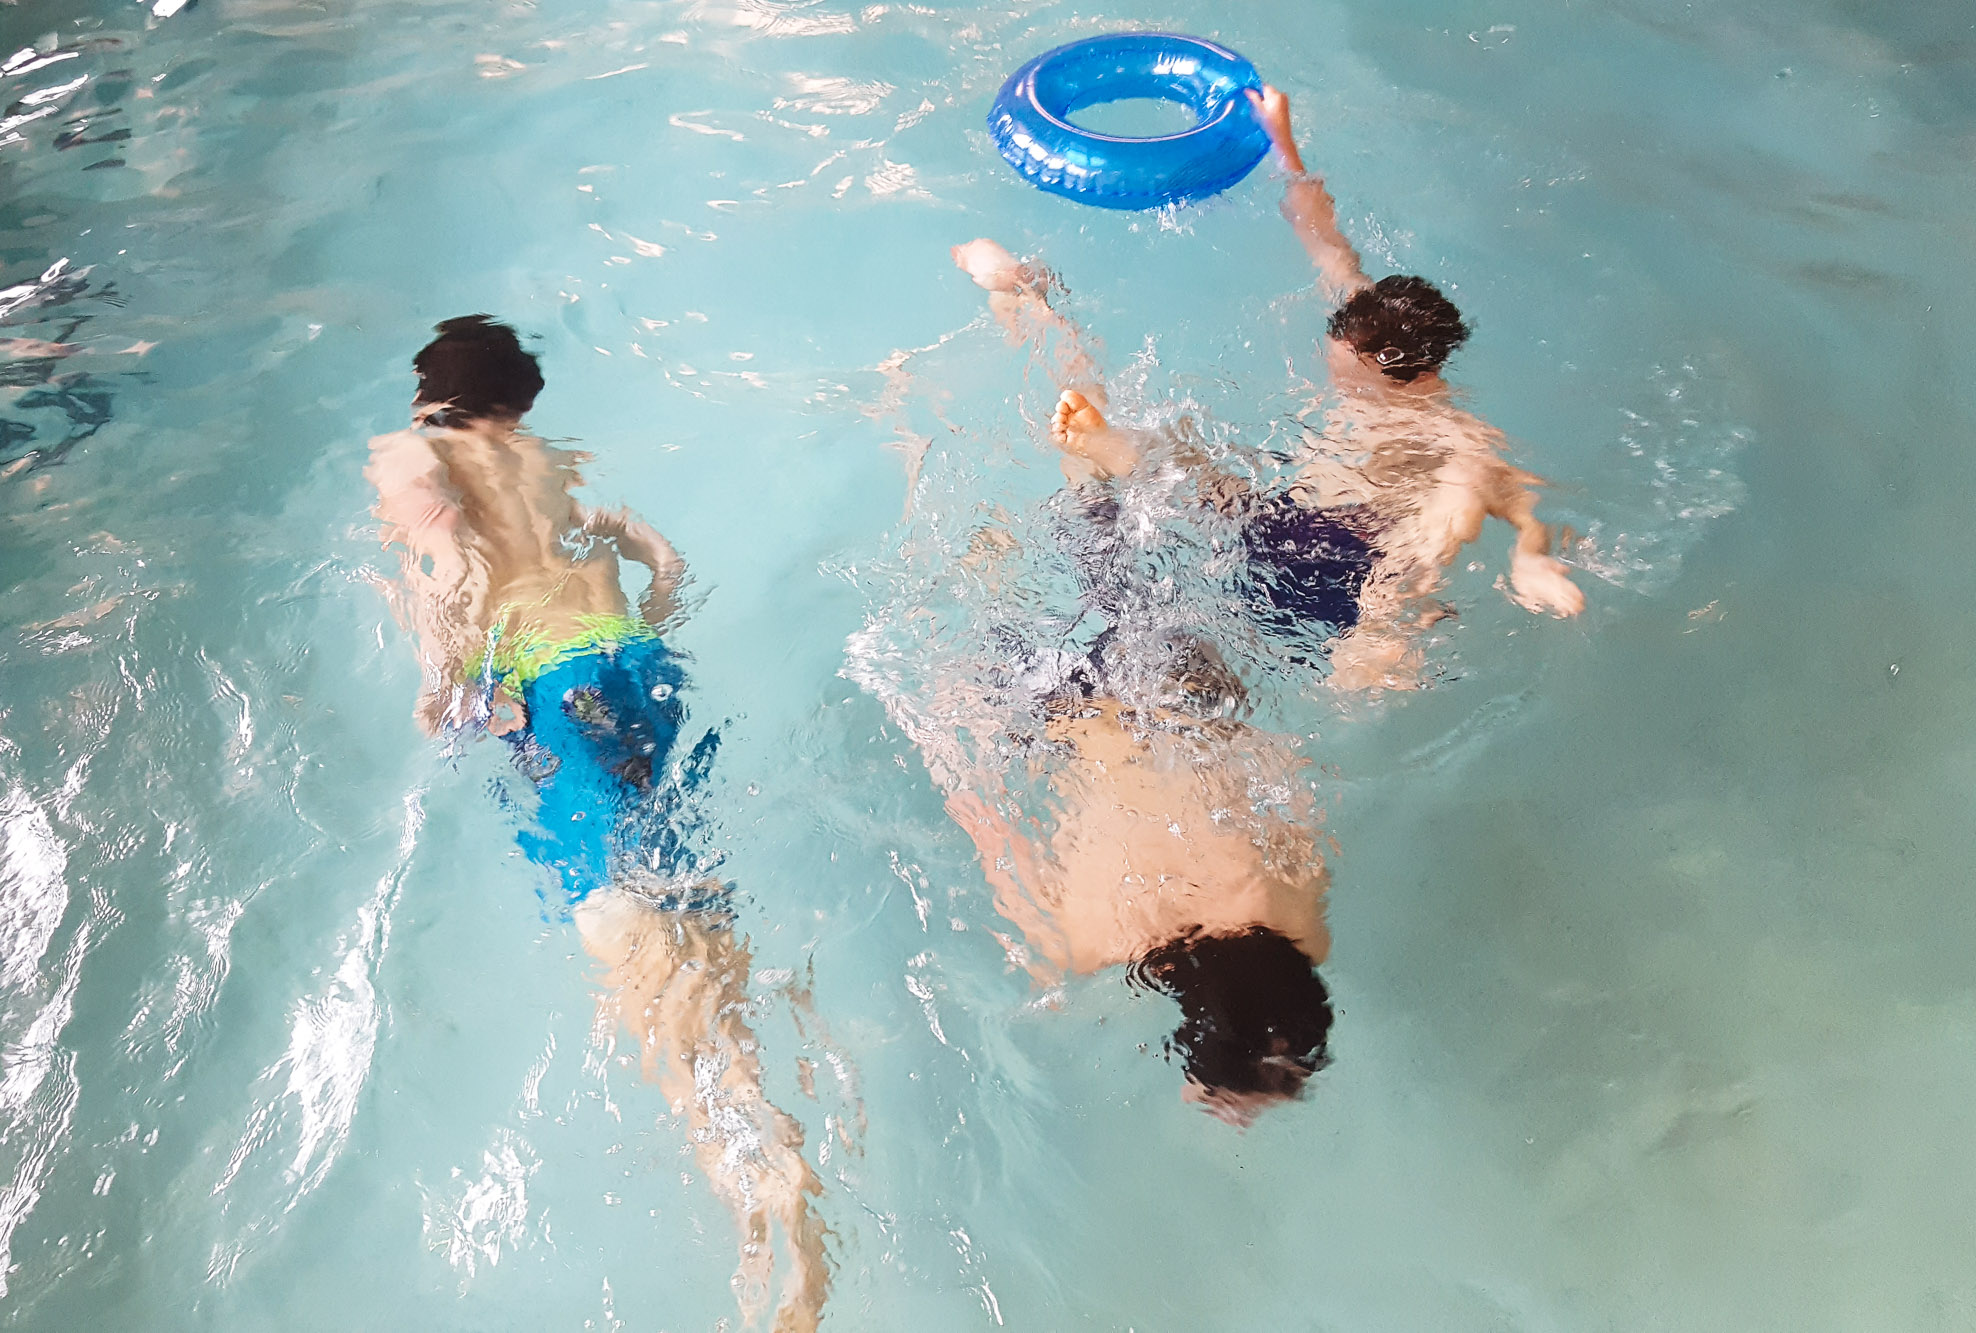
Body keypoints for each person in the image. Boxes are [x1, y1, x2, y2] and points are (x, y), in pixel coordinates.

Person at [366, 316, 828, 1332]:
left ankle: (758, 1179)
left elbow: (445, 570)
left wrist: (442, 696)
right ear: (516, 401)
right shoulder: (541, 460)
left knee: (633, 959)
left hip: (558, 693)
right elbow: (660, 571)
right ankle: (757, 1119)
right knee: (685, 906)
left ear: (427, 392)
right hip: (639, 673)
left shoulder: (408, 452)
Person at [955, 82, 1586, 690]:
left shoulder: (1450, 441)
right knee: (1169, 484)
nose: (1326, 361)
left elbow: (1484, 514)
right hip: (1279, 519)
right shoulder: (1372, 323)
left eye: (1341, 367)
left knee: (1189, 485)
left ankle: (1066, 359)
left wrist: (1522, 563)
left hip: (1335, 568)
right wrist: (1282, 142)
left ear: (1388, 368)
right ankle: (1044, 324)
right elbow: (1320, 232)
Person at [929, 252, 1338, 1125]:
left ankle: (1040, 313)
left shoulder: (1302, 924)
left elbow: (1289, 771)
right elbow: (979, 808)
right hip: (1073, 706)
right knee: (1010, 588)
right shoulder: (1087, 942)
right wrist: (957, 705)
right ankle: (914, 419)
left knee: (1111, 538)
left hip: (1190, 678)